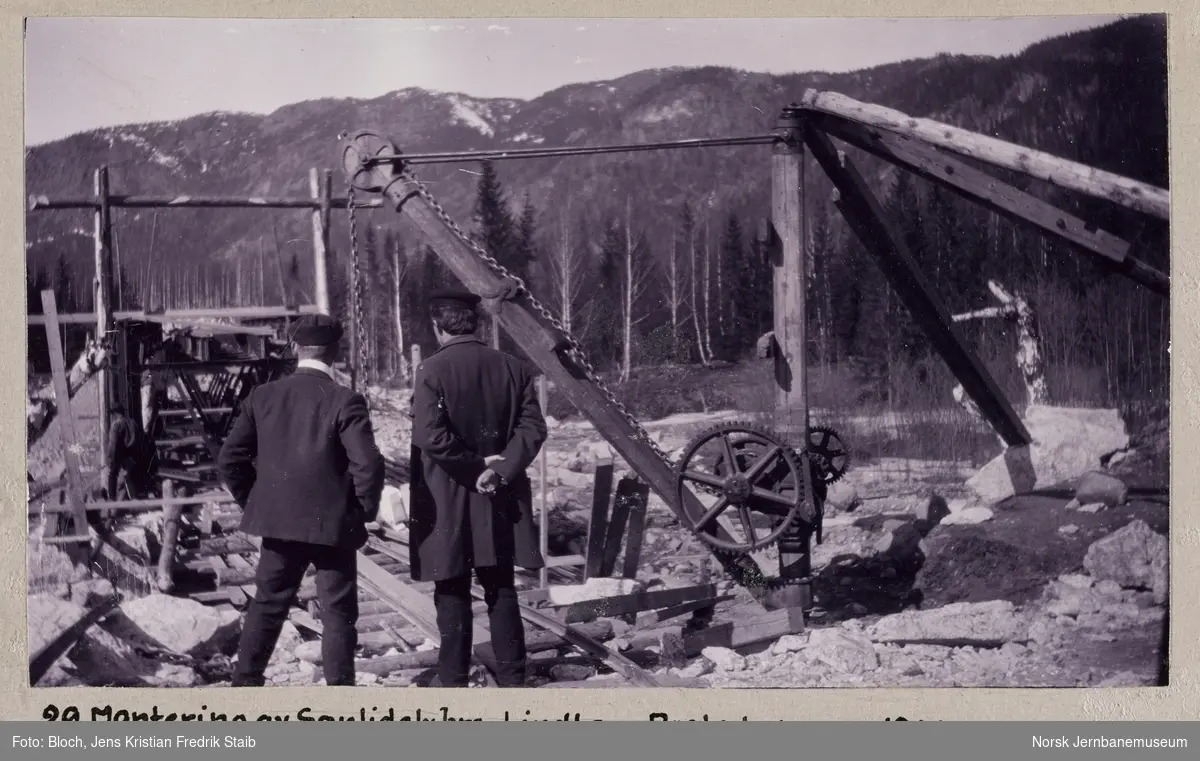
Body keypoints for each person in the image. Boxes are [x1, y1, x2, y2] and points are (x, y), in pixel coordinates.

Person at [217, 314, 385, 687]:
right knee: (338, 614)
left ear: (295, 349)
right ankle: (341, 699)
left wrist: (257, 504)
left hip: (279, 525)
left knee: (267, 604)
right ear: (335, 352)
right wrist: (360, 512)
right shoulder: (346, 400)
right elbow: (368, 463)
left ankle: (244, 686)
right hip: (333, 526)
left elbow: (229, 460)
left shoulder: (263, 395)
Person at [410, 289, 548, 688]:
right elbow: (533, 428)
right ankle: (513, 679)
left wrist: (474, 469)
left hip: (449, 496)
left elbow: (430, 436)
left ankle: (452, 680)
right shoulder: (513, 367)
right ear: (475, 324)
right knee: (501, 586)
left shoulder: (431, 371)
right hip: (499, 494)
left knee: (451, 589)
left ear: (439, 329)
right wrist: (500, 468)